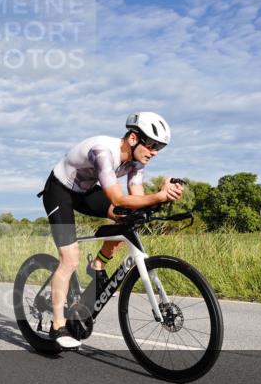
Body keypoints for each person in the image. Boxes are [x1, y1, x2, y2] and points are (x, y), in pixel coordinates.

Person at [39, 112, 185, 348]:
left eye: (160, 147)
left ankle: (97, 265)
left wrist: (163, 197)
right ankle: (57, 327)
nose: (155, 151)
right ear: (133, 138)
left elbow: (137, 200)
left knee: (129, 218)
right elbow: (118, 198)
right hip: (59, 190)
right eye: (152, 144)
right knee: (69, 259)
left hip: (84, 191)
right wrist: (157, 195)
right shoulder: (103, 152)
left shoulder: (137, 163)